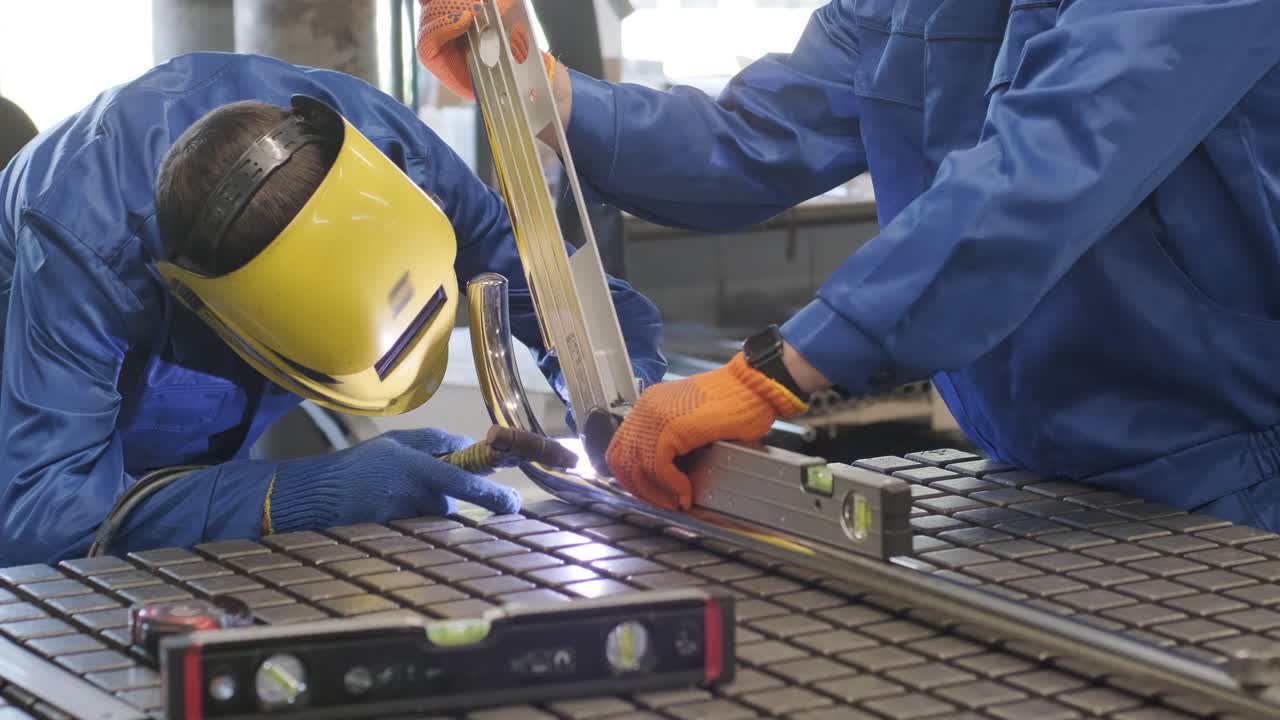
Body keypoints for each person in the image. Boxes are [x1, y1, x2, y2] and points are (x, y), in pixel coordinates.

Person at [418, 0, 1280, 529]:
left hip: (1233, 472)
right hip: (1036, 473)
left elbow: (1051, 164)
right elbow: (751, 141)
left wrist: (774, 371)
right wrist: (544, 89)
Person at [0, 51, 666, 565]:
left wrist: (618, 395)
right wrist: (293, 495)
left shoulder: (387, 152)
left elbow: (567, 297)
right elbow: (43, 518)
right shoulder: (82, 250)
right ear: (222, 318)